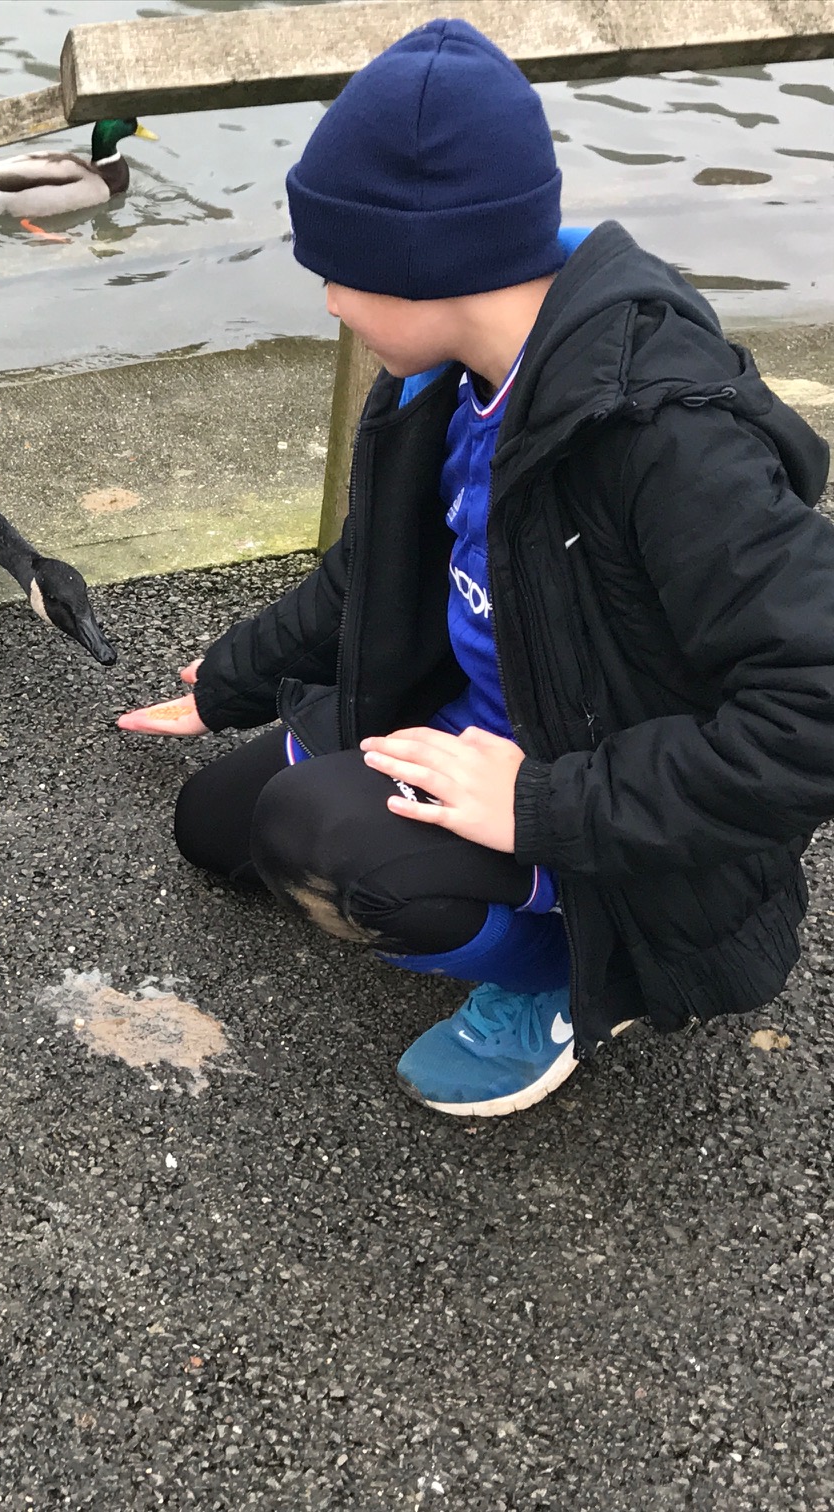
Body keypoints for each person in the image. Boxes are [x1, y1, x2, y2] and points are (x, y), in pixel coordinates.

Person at [119, 18, 834, 1117]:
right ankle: (454, 848)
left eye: (337, 272)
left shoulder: (665, 440)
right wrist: (226, 681)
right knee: (213, 828)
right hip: (480, 713)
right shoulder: (442, 383)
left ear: (423, 266)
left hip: (597, 797)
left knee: (318, 840)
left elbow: (814, 711)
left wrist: (542, 806)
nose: (329, 304)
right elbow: (371, 579)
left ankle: (573, 980)